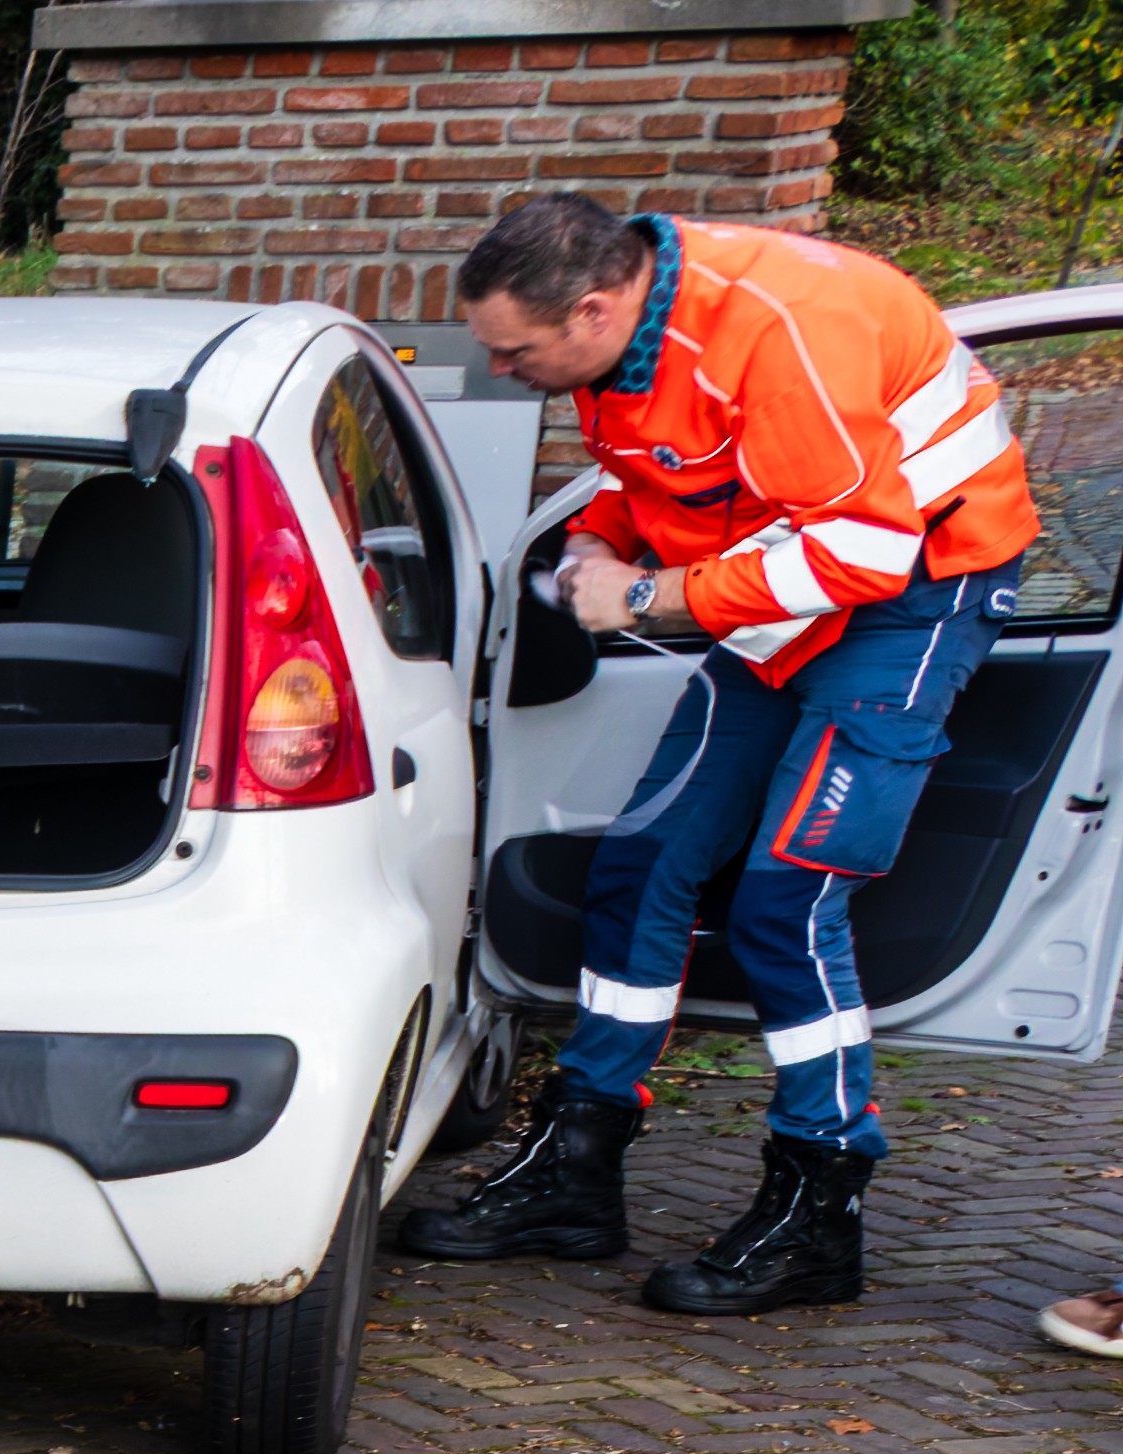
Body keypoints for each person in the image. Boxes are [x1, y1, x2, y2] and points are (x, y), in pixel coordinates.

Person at [398, 194, 1040, 1312]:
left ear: (594, 310)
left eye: (516, 352)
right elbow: (652, 482)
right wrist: (599, 543)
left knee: (788, 899)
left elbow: (867, 548)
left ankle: (818, 1210)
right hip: (786, 589)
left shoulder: (786, 326)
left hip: (913, 594)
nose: (504, 372)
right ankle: (578, 1171)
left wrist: (650, 595)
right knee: (642, 866)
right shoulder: (624, 342)